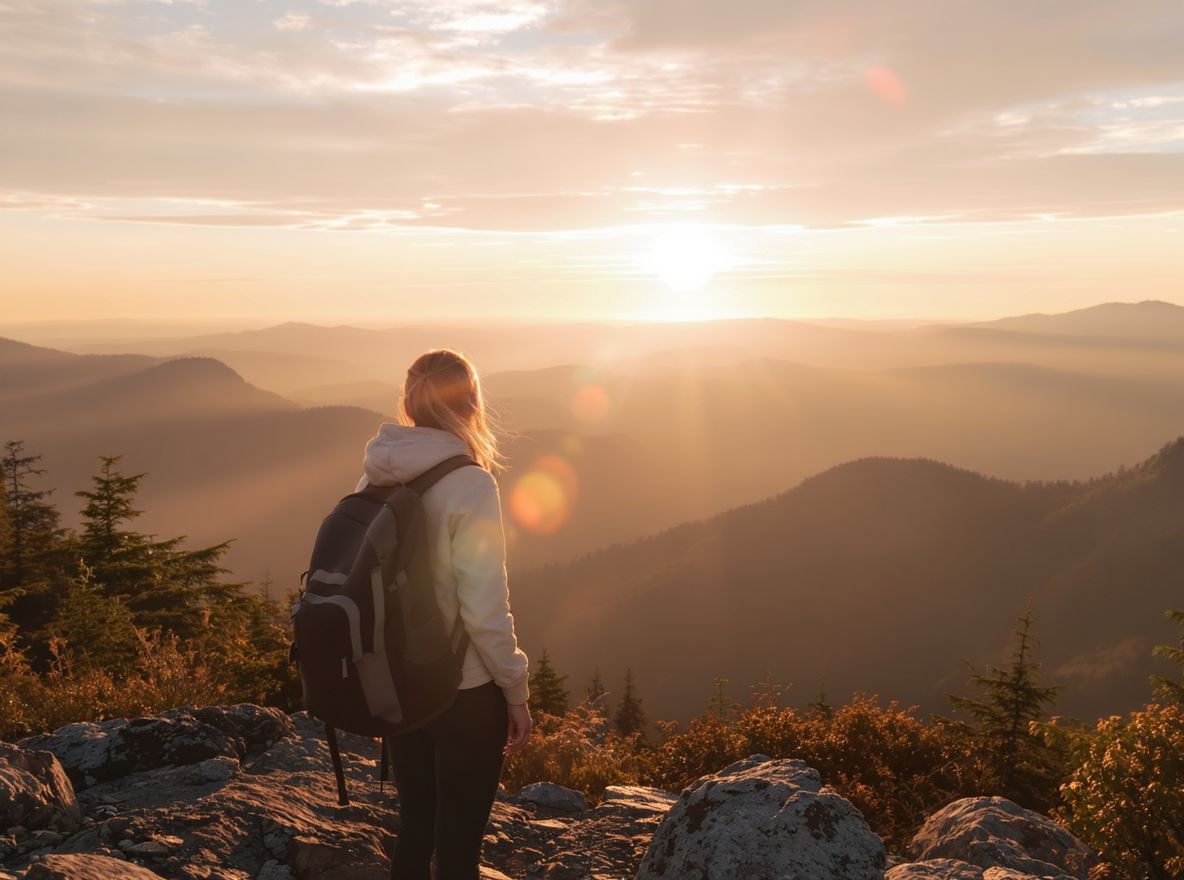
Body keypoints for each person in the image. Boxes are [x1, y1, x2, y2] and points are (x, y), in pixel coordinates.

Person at [353, 348, 532, 880]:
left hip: (400, 682)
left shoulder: (374, 474)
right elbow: (483, 609)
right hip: (465, 690)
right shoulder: (470, 482)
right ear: (471, 404)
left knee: (415, 830)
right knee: (457, 852)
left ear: (407, 402)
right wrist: (516, 690)